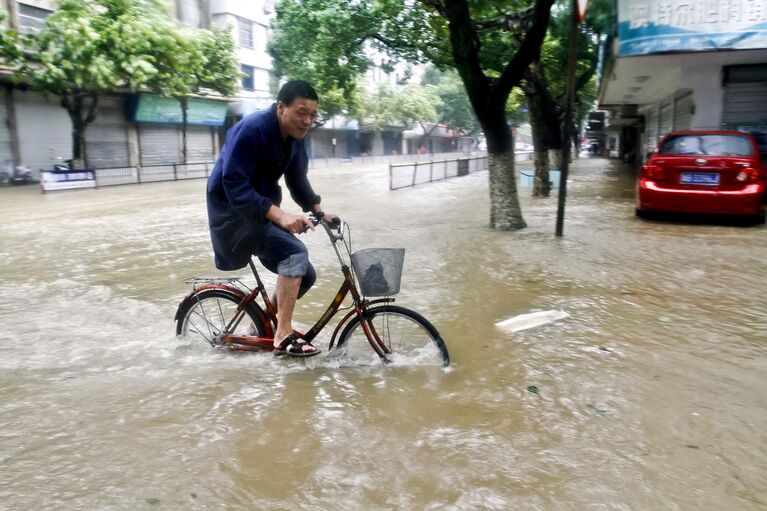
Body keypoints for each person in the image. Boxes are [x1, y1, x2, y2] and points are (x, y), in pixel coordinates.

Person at [206, 80, 336, 358]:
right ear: (280, 108)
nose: (307, 121)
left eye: (313, 115)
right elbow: (234, 184)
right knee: (295, 251)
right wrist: (279, 215)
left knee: (307, 275)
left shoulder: (295, 140)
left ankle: (264, 323)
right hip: (232, 215)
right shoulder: (253, 129)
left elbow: (297, 180)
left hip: (258, 212)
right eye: (302, 112)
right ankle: (282, 333)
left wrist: (320, 212)